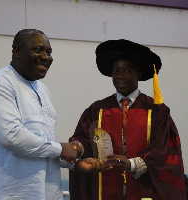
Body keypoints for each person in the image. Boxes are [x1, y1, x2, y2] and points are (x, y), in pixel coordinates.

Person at [69, 39, 186, 200]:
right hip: (106, 190)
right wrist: (78, 147)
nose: (119, 76)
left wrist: (131, 164)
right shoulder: (97, 109)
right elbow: (84, 139)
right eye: (116, 71)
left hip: (144, 191)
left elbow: (163, 151)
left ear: (139, 74)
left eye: (127, 70)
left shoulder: (156, 110)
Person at [0, 29, 98, 200]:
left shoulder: (42, 90)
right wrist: (61, 149)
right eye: (38, 50)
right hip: (14, 194)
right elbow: (11, 136)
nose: (46, 57)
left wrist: (73, 164)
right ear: (17, 51)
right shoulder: (0, 83)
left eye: (49, 52)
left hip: (49, 193)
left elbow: (43, 145)